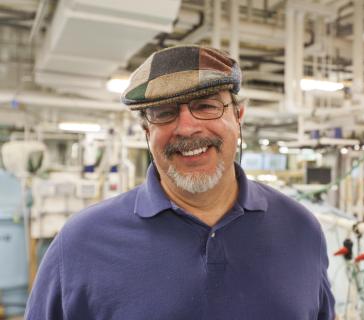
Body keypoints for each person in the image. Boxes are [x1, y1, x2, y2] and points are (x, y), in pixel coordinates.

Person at [25, 45, 335, 320]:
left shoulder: (301, 230)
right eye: (165, 112)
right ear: (148, 133)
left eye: (207, 106)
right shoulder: (80, 245)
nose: (187, 128)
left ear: (238, 117)